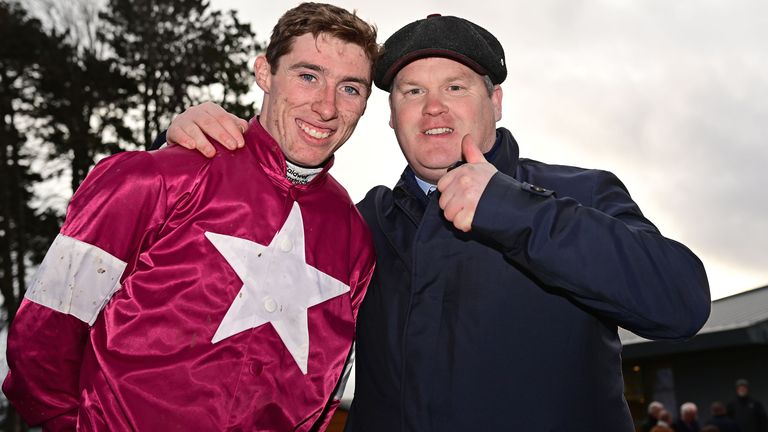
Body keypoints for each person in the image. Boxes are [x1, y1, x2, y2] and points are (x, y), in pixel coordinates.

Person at [159, 13, 711, 431]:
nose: (434, 109)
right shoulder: (361, 221)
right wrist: (214, 148)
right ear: (393, 115)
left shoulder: (577, 193)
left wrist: (510, 207)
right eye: (412, 91)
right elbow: (233, 290)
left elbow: (680, 302)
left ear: (495, 101)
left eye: (456, 87)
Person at [2, 3, 378, 430]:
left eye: (350, 88)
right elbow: (45, 332)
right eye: (308, 76)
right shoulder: (151, 178)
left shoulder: (354, 238)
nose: (327, 107)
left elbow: (327, 389)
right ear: (264, 73)